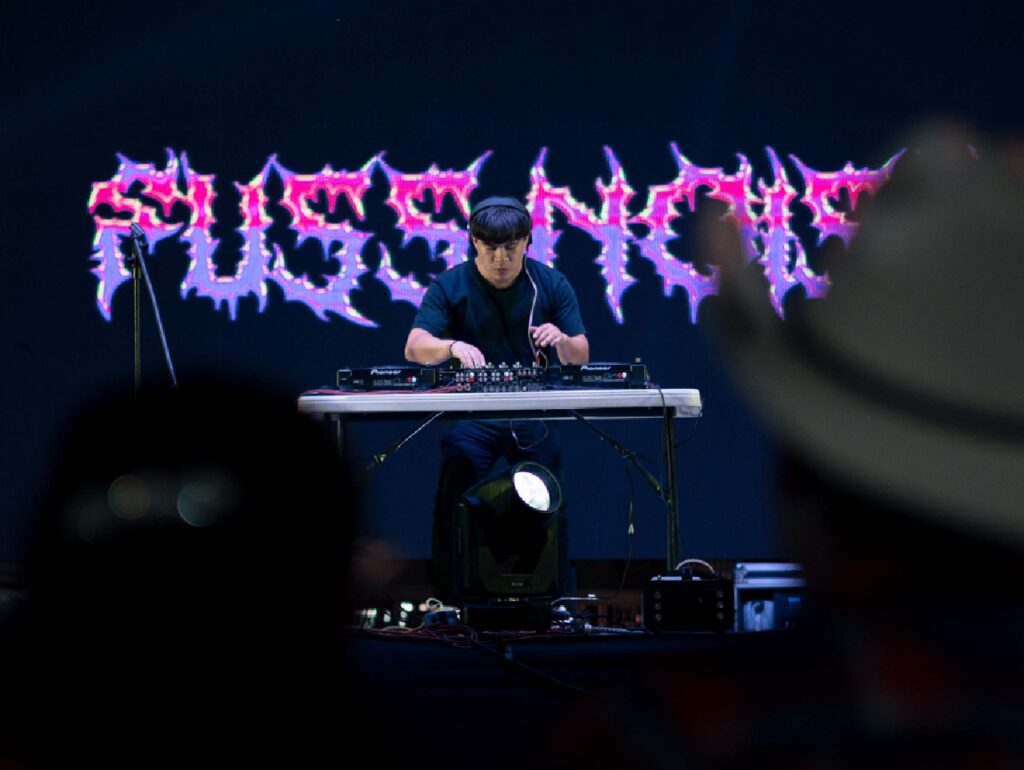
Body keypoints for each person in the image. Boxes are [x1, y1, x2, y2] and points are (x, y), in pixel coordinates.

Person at [404, 196, 589, 602]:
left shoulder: (550, 284)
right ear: (474, 241)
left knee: (551, 501)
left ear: (527, 242)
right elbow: (414, 346)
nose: (500, 259)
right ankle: (448, 600)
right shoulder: (450, 284)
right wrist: (451, 346)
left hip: (533, 415)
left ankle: (555, 602)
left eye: (510, 247)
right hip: (474, 415)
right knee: (455, 497)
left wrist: (560, 340)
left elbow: (580, 353)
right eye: (490, 248)